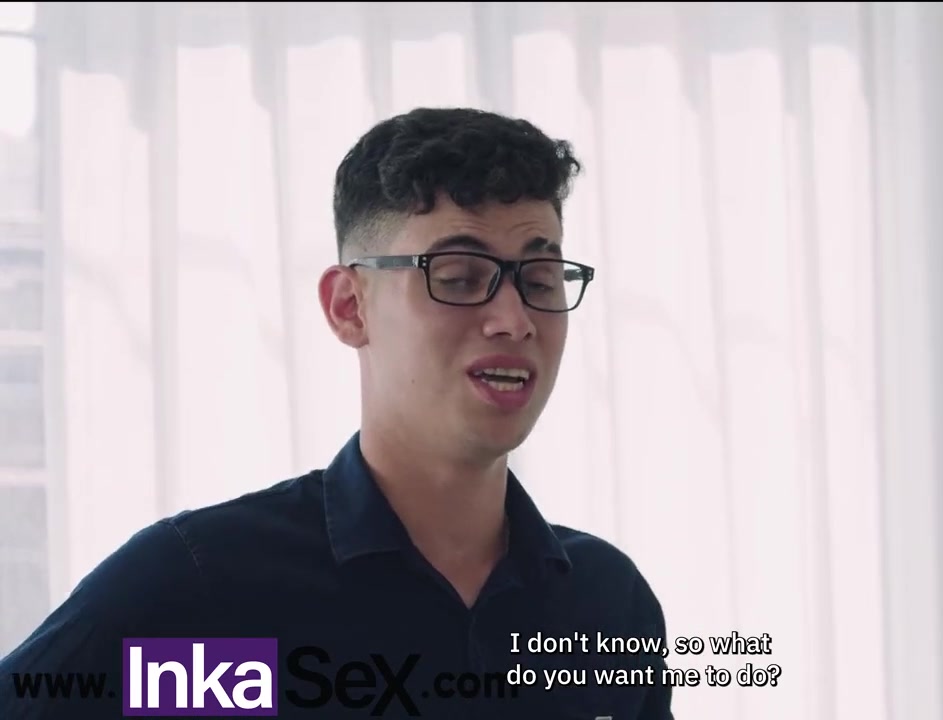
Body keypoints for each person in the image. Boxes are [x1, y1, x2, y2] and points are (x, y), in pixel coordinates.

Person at [0, 108, 674, 719]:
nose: (514, 319)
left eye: (540, 280)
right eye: (460, 278)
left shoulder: (606, 606)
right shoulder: (207, 590)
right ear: (350, 306)